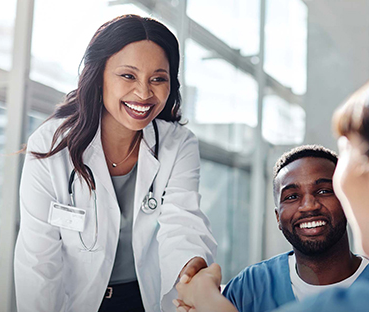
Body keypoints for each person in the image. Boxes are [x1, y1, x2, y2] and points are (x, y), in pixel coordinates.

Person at [175, 58, 369, 312]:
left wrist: (205, 298)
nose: (310, 204)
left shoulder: (359, 304)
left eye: (347, 149)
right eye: (292, 196)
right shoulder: (251, 284)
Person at [14, 15, 217, 312]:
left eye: (158, 79)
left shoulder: (178, 144)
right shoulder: (50, 145)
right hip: (79, 302)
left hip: (144, 300)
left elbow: (182, 222)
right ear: (99, 76)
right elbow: (38, 261)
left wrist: (190, 267)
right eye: (128, 76)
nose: (144, 93)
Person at [221, 145, 369, 312]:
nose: (308, 206)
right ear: (278, 218)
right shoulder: (249, 287)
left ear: (347, 202)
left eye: (323, 191)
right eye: (292, 196)